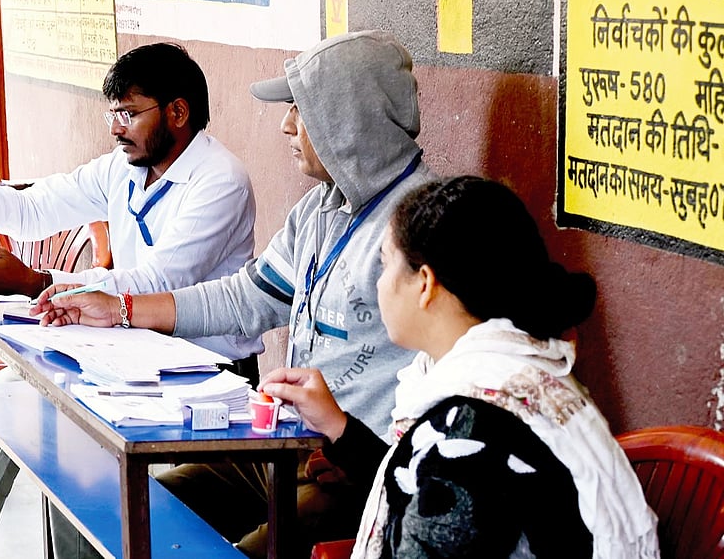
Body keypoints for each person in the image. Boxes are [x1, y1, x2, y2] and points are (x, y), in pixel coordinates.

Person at [35, 30, 437, 557]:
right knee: (127, 510)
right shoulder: (319, 210)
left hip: (357, 469)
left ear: (348, 119)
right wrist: (121, 310)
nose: (286, 125)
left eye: (301, 109)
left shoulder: (424, 224)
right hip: (287, 445)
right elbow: (245, 298)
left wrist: (361, 449)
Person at [0, 41, 257, 559]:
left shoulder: (221, 181)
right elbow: (37, 206)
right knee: (13, 388)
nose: (116, 128)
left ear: (178, 112)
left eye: (128, 113)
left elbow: (155, 282)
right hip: (128, 353)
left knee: (75, 442)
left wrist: (39, 283)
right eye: (113, 114)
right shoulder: (122, 169)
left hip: (202, 374)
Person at [260, 176, 660, 557]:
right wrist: (338, 427)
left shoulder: (471, 432)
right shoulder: (503, 379)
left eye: (385, 265)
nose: (380, 285)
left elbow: (453, 484)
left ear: (425, 284)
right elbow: (423, 486)